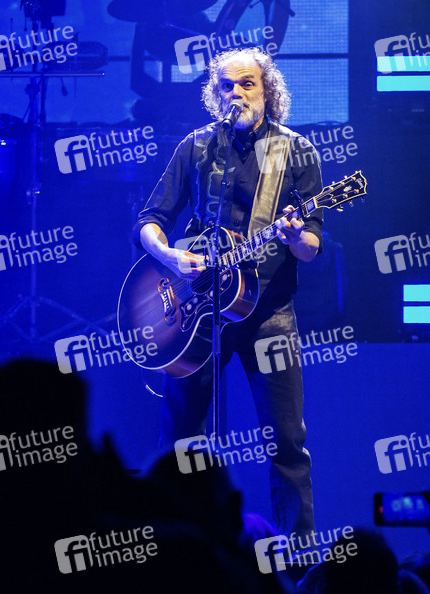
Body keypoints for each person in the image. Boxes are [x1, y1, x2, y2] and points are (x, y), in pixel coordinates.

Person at [133, 46, 323, 537]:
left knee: (286, 442)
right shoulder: (196, 146)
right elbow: (150, 220)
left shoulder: (296, 151)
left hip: (269, 312)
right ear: (215, 95)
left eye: (247, 84)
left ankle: (299, 560)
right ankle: (178, 548)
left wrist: (293, 236)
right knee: (179, 441)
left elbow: (310, 248)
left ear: (267, 91)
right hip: (196, 311)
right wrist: (170, 257)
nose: (236, 93)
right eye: (227, 85)